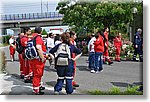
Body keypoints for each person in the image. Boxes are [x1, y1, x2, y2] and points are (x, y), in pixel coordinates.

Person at [28, 26, 47, 95]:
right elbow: (38, 47)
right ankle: (36, 89)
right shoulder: (38, 38)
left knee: (35, 73)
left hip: (32, 58)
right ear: (40, 31)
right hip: (38, 59)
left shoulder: (31, 37)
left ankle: (38, 86)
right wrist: (42, 58)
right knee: (38, 74)